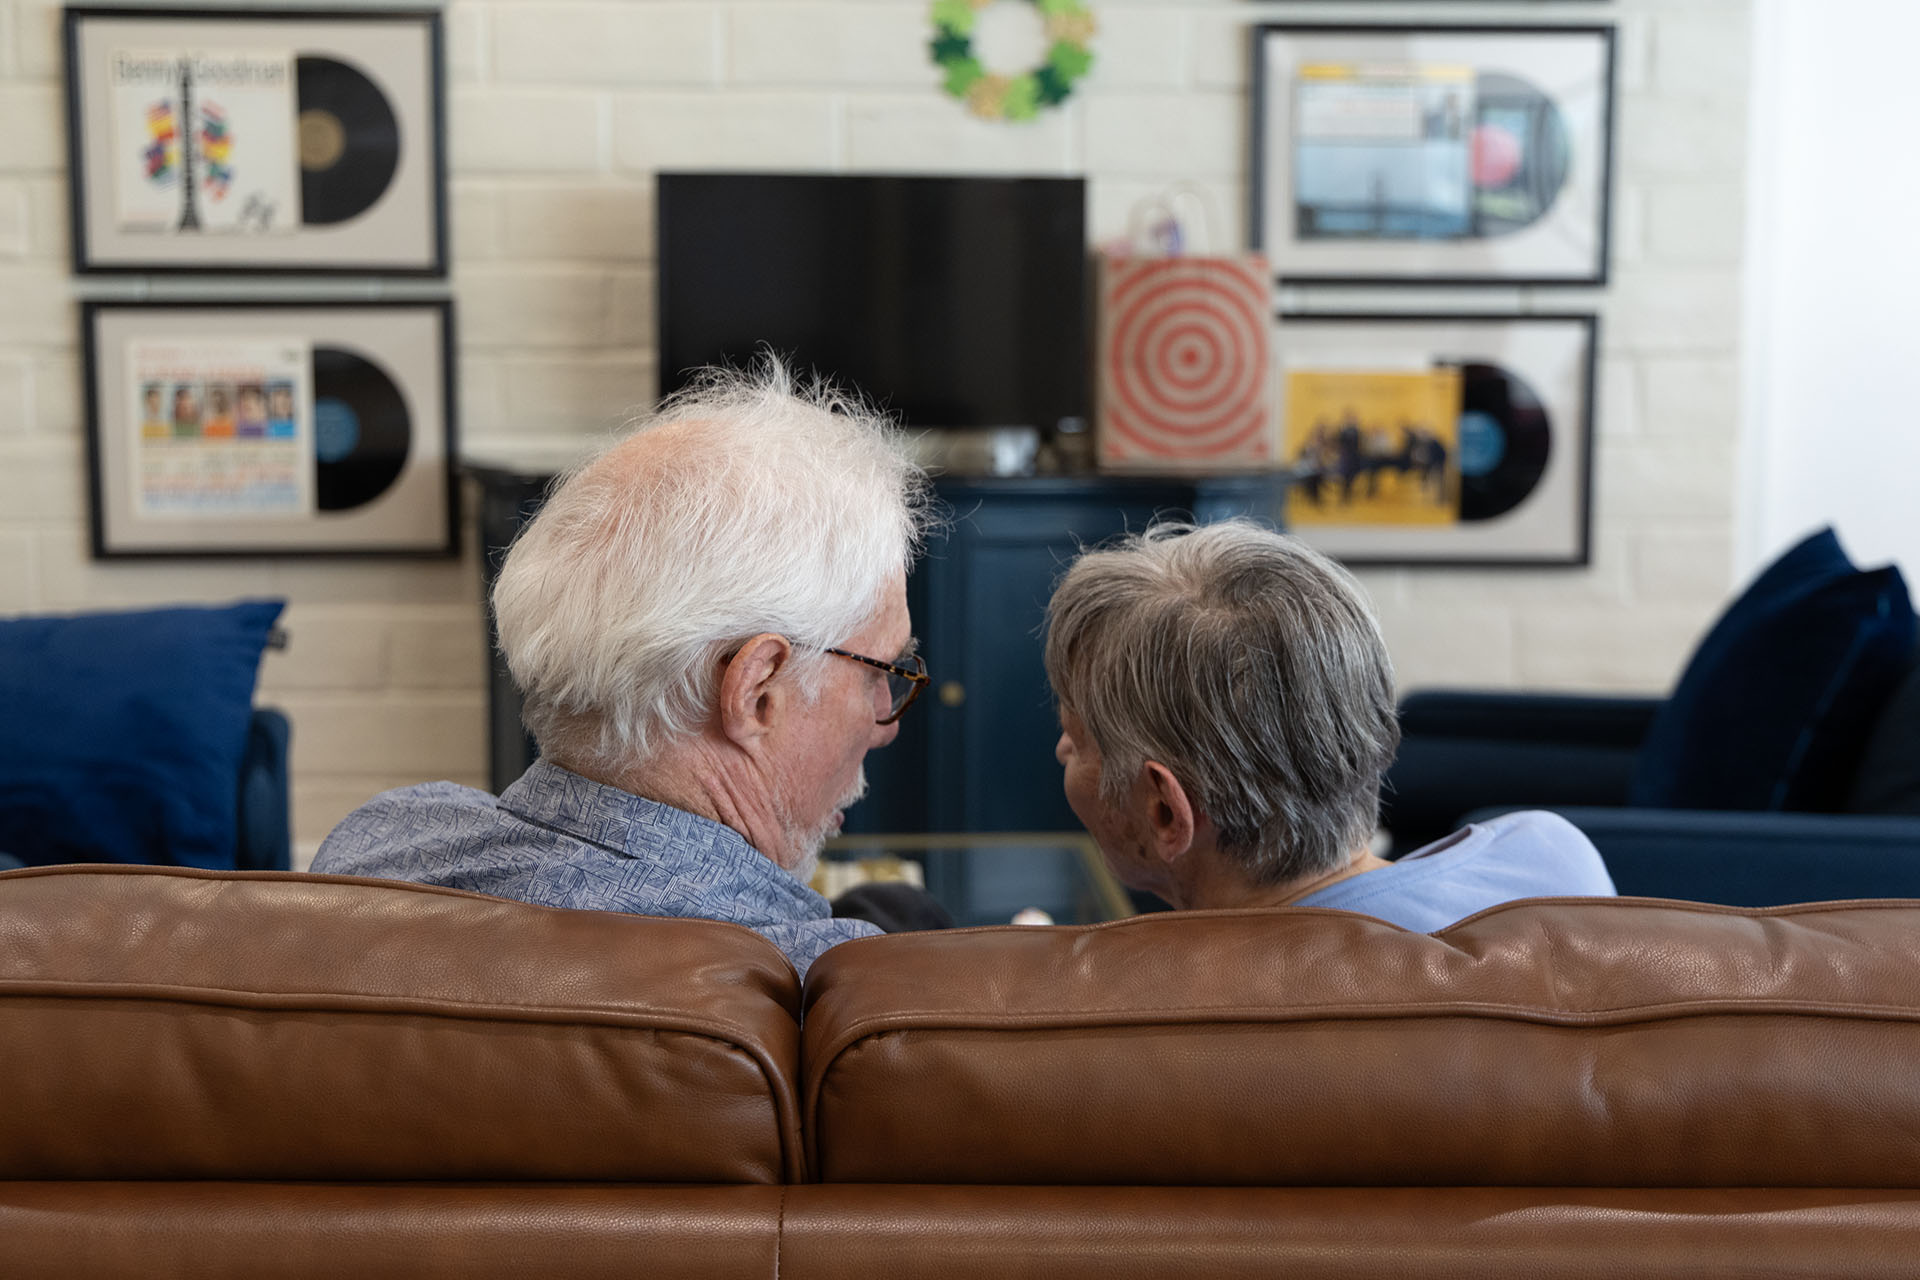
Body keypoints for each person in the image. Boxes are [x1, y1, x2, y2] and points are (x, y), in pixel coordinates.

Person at [315, 361, 935, 974]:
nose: (887, 723)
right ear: (755, 692)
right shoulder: (827, 988)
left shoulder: (372, 853)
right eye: (878, 671)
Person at [1044, 519, 1614, 928]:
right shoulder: (1554, 862)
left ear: (1166, 811)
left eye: (1079, 734)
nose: (1063, 750)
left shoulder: (1146, 1026)